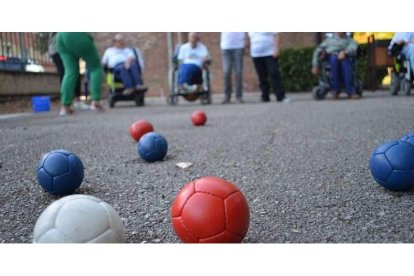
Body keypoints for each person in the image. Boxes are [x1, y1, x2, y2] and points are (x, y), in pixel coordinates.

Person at [56, 32, 104, 116]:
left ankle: (65, 106)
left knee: (70, 72)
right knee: (95, 67)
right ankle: (95, 101)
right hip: (76, 34)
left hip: (60, 36)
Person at [48, 33, 89, 110]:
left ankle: (73, 101)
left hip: (67, 48)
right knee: (67, 74)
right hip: (59, 49)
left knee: (73, 73)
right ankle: (67, 103)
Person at [311, 32, 359, 99]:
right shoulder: (328, 40)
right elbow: (317, 51)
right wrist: (315, 65)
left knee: (345, 64)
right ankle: (335, 90)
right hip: (331, 56)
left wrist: (345, 52)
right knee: (334, 61)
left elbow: (353, 47)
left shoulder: (350, 40)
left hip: (344, 56)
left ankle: (350, 91)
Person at [247, 32, 289, 103]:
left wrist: (276, 49)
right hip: (256, 55)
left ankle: (280, 96)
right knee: (262, 76)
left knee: (274, 73)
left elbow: (276, 35)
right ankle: (265, 96)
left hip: (269, 53)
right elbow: (249, 39)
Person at [220, 32, 247, 104]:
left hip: (238, 46)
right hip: (226, 47)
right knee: (226, 71)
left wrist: (245, 42)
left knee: (238, 72)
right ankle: (227, 96)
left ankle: (239, 96)